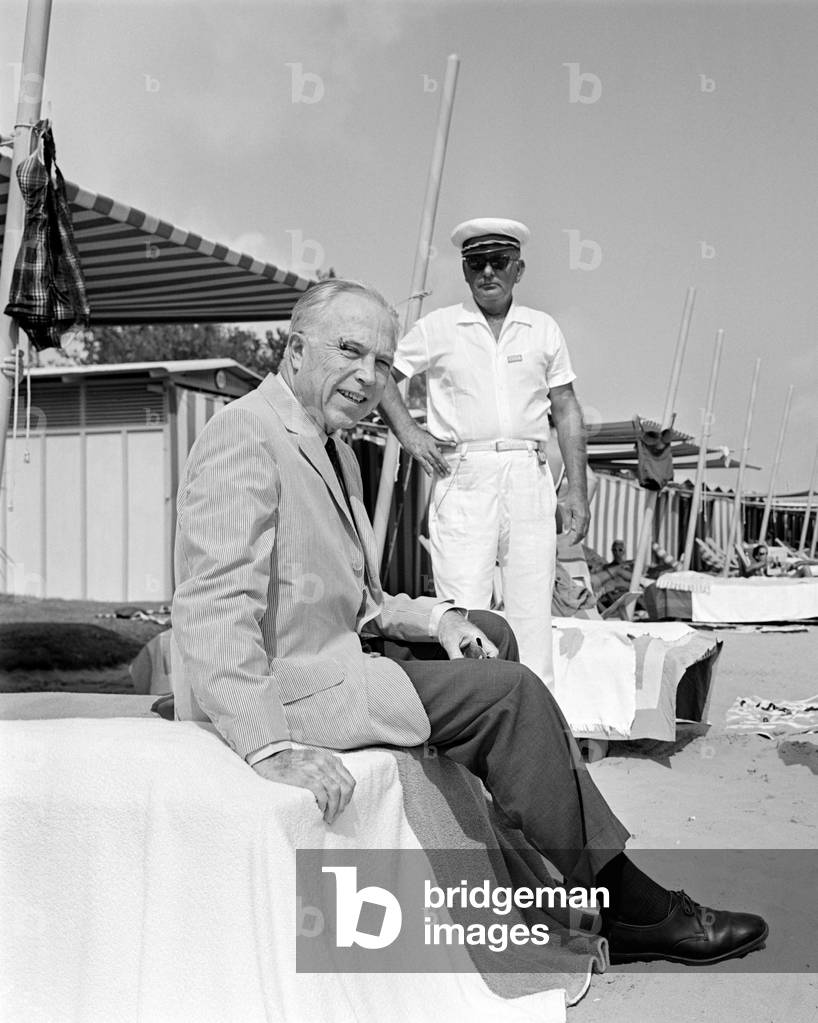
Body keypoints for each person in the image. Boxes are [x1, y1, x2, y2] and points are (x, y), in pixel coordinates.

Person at [172, 278, 767, 966]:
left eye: (383, 363)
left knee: (494, 631)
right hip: (295, 687)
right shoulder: (244, 434)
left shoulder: (333, 449)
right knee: (509, 692)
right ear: (296, 349)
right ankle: (626, 903)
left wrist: (444, 616)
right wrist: (268, 746)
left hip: (336, 656)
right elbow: (214, 604)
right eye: (350, 351)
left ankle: (509, 857)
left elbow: (363, 602)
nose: (369, 377)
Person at [378, 218, 588, 686]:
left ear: (520, 269)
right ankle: (470, 733)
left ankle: (539, 735)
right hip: (464, 471)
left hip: (528, 471)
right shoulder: (438, 327)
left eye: (499, 262)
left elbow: (567, 409)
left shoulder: (543, 329)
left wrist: (578, 488)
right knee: (464, 609)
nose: (487, 273)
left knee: (532, 611)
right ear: (465, 269)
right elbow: (382, 375)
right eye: (476, 263)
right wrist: (410, 434)